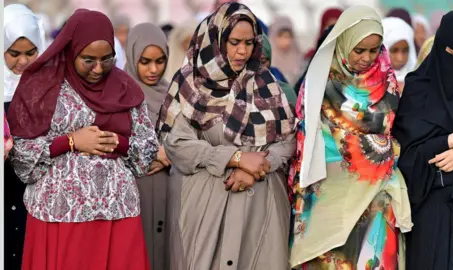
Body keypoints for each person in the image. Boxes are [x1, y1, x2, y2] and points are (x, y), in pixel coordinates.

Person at [7, 9, 158, 270]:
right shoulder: (42, 87)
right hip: (59, 213)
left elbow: (147, 150)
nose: (98, 69)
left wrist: (119, 143)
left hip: (116, 210)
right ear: (70, 50)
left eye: (107, 59)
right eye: (88, 60)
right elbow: (21, 153)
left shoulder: (125, 89)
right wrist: (70, 142)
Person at [157, 3, 296, 269]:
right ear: (218, 38)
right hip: (207, 206)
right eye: (234, 42)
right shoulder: (192, 82)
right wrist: (235, 158)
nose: (242, 51)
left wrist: (257, 166)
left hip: (261, 205)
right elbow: (178, 144)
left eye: (248, 42)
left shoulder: (266, 83)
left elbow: (288, 140)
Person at [288, 6, 412, 269]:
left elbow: (396, 134)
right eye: (359, 50)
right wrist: (385, 150)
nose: (367, 58)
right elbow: (317, 139)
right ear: (344, 43)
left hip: (376, 201)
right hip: (329, 196)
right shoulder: (321, 83)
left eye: (374, 50)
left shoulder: (387, 82)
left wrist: (384, 150)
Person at [392, 11, 453, 270]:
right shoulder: (420, 88)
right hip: (433, 211)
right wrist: (448, 141)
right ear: (441, 46)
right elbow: (405, 153)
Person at [124, 22, 171, 270]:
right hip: (133, 192)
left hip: (170, 190)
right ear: (132, 56)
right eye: (145, 62)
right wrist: (153, 155)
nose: (154, 69)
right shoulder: (118, 93)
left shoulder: (175, 95)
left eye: (160, 61)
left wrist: (169, 155)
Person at [3, 4, 46, 269]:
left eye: (31, 53)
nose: (23, 61)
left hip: (34, 189)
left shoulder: (48, 86)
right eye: (14, 53)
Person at [260, 34, 297, 106]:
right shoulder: (235, 94)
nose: (257, 67)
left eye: (262, 61)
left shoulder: (285, 93)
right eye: (251, 62)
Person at [382, 17, 417, 91]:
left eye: (405, 51)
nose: (400, 58)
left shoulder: (420, 82)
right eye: (394, 51)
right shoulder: (367, 85)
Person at [269, 16, 302, 84]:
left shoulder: (298, 57)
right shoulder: (266, 59)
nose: (286, 41)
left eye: (289, 37)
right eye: (282, 36)